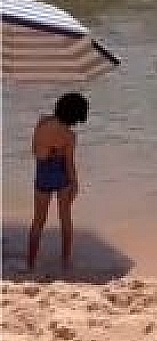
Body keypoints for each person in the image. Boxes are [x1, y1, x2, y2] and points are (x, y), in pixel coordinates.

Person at [27, 92, 88, 270]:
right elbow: (69, 164)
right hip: (61, 175)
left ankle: (30, 263)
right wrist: (75, 183)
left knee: (38, 220)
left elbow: (36, 152)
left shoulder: (42, 122)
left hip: (43, 174)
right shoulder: (69, 135)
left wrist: (50, 152)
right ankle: (65, 262)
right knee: (65, 219)